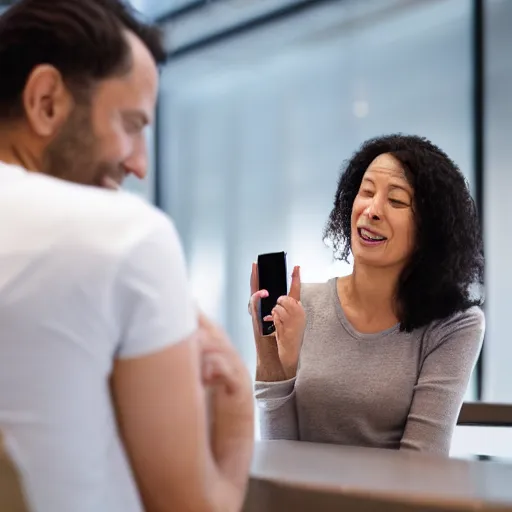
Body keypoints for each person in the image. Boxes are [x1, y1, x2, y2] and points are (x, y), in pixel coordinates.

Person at [0, 1, 253, 511]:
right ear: (46, 101)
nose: (139, 164)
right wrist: (237, 418)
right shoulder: (127, 237)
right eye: (131, 123)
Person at [250, 134, 485, 456]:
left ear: (430, 228)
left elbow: (422, 465)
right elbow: (279, 458)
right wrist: (273, 361)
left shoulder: (453, 325)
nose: (372, 210)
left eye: (397, 201)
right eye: (366, 191)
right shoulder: (299, 306)